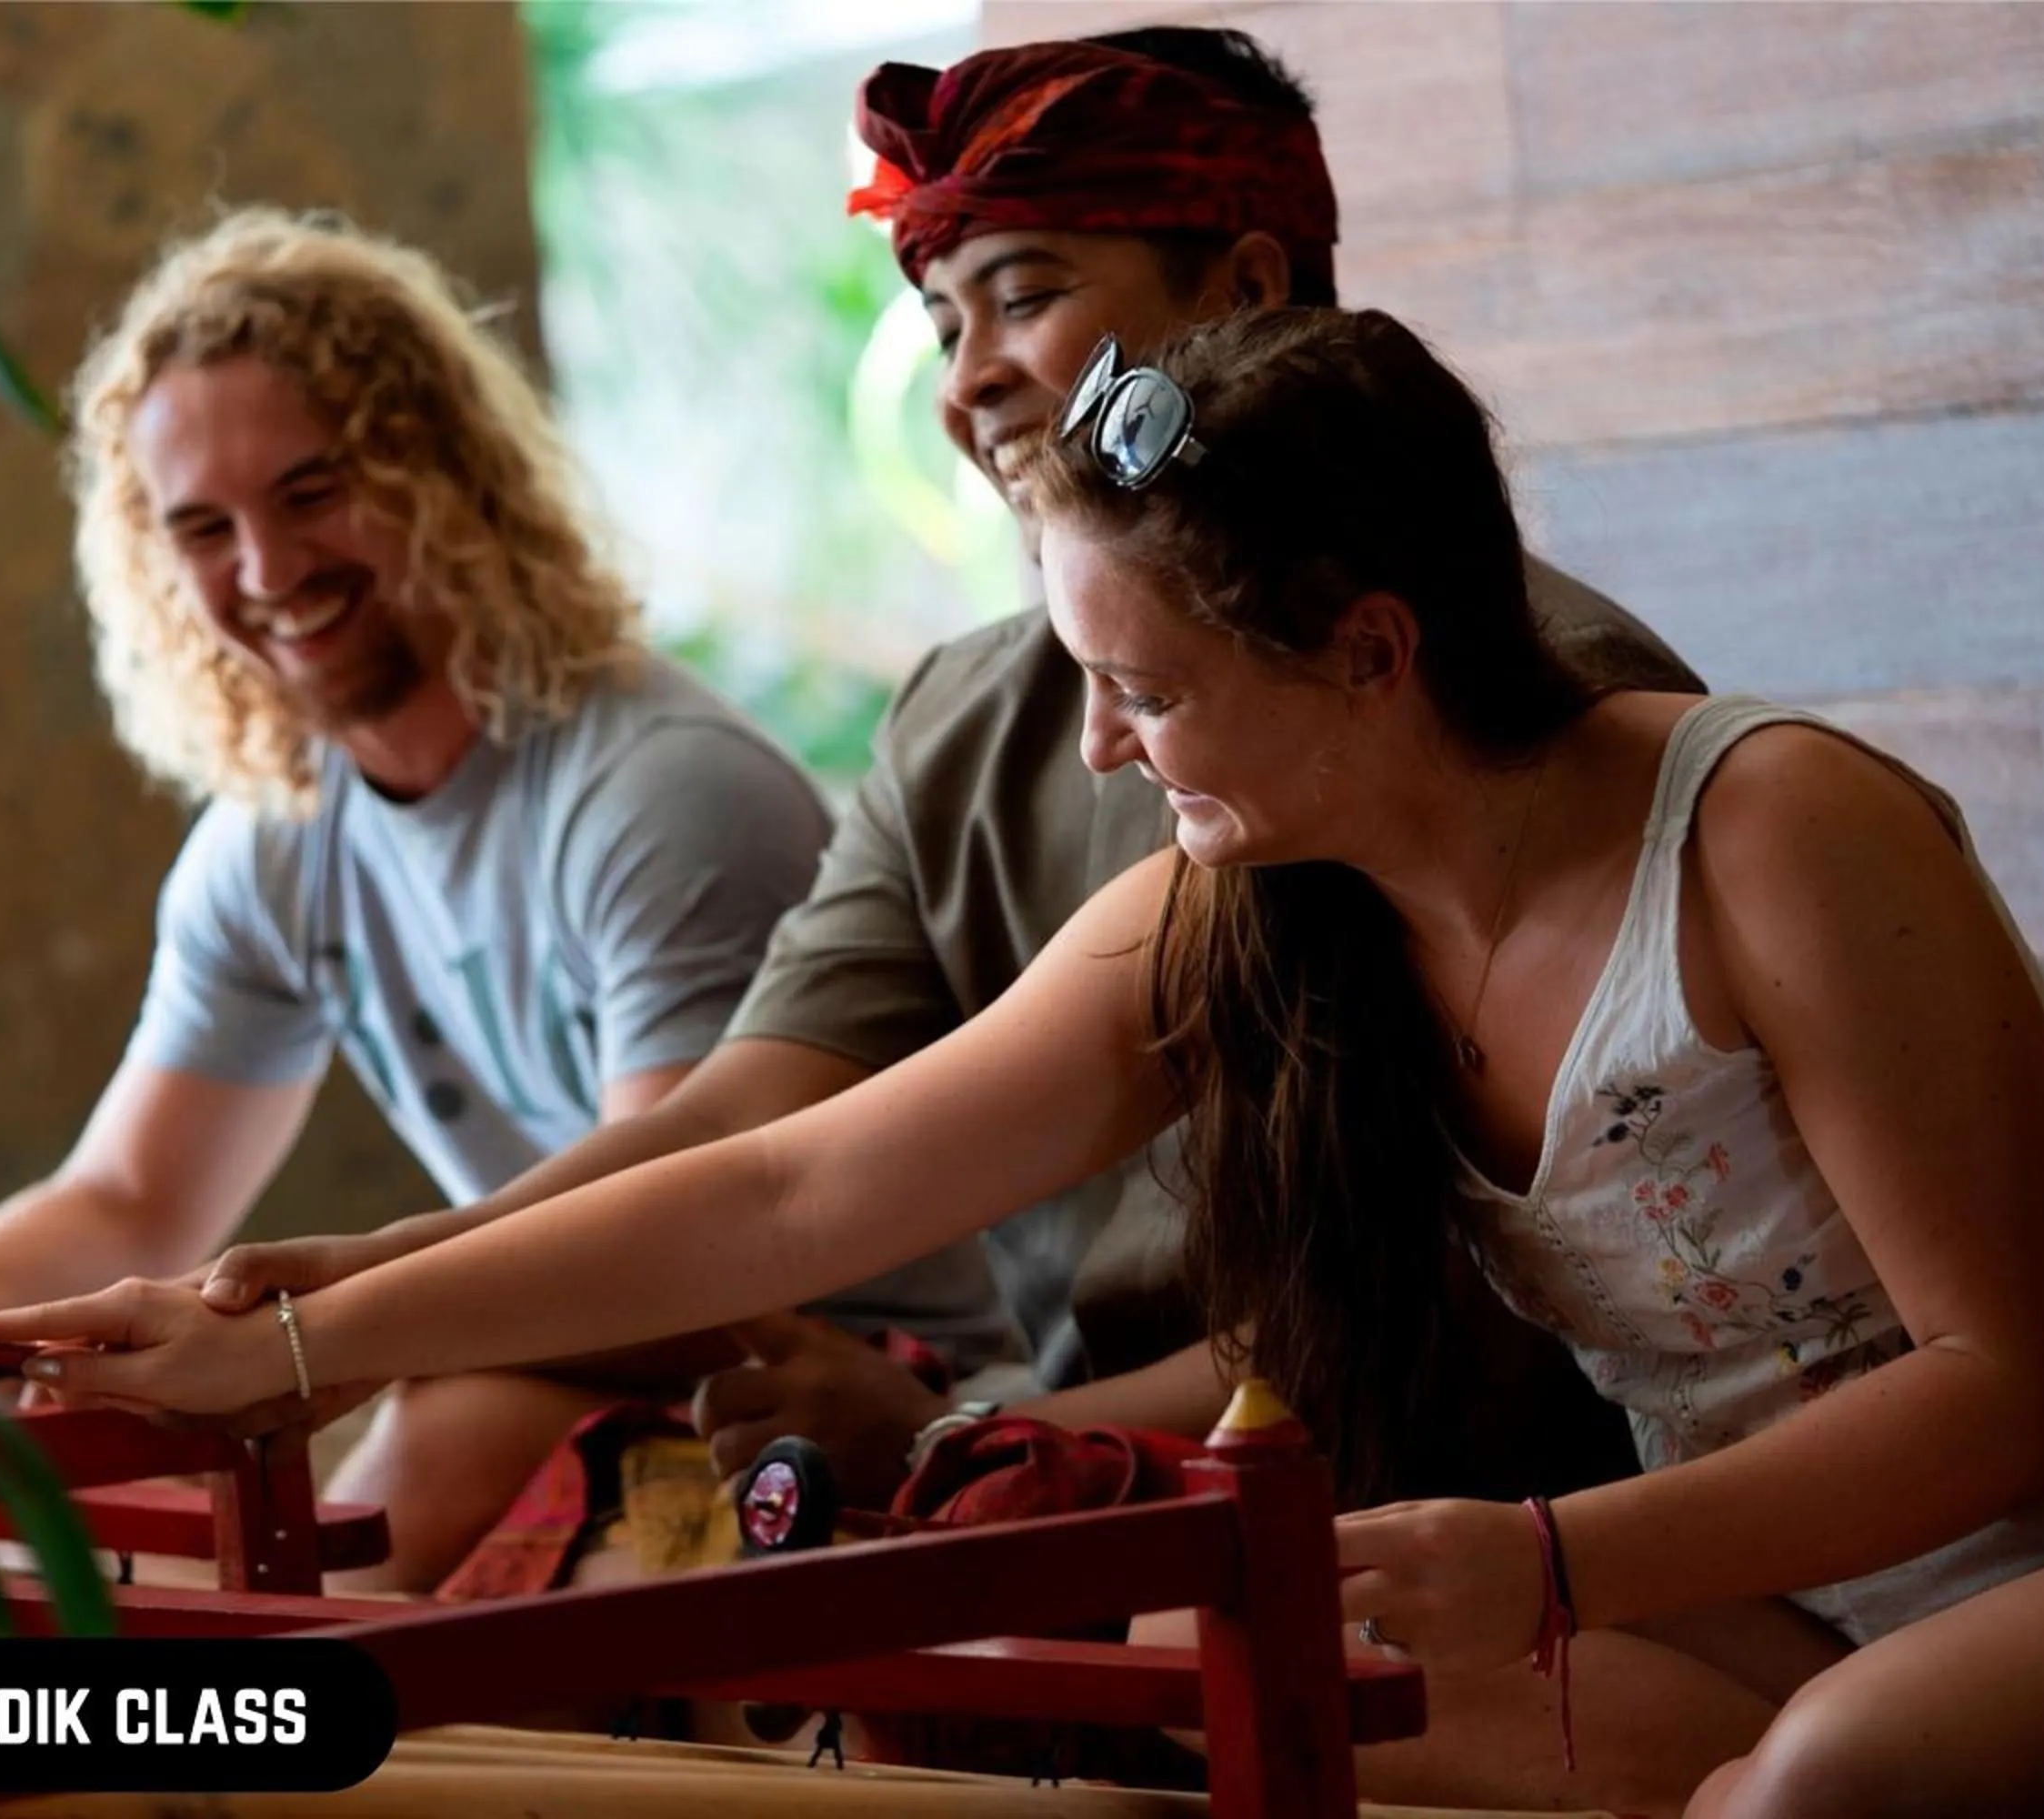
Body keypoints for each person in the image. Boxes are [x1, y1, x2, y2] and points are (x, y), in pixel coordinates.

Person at [0, 305, 2044, 1818]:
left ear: (1367, 654)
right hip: (1759, 1592)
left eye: (1142, 691)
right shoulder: (1246, 901)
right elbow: (792, 1191)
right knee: (1169, 1686)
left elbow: (2028, 1393)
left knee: (1810, 1793)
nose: (1097, 746)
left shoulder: (1770, 828)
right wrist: (300, 1341)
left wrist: (1547, 1561)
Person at [187, 28, 1703, 1524]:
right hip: (1100, 1506)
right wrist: (363, 1291)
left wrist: (976, 1442)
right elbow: (762, 1155)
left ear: (1244, 290)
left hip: (1463, 1538)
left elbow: (1442, 1314)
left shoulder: (1515, 702)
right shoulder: (967, 716)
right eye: (937, 327)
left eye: (1025, 298)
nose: (971, 379)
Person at [0, 206, 1012, 1587]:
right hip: (541, 1336)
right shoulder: (274, 841)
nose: (266, 572)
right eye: (204, 528)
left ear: (444, 473)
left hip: (834, 1382)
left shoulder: (661, 793)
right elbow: (128, 1200)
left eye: (314, 492)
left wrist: (308, 1333)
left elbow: (705, 1253)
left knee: (409, 1454)